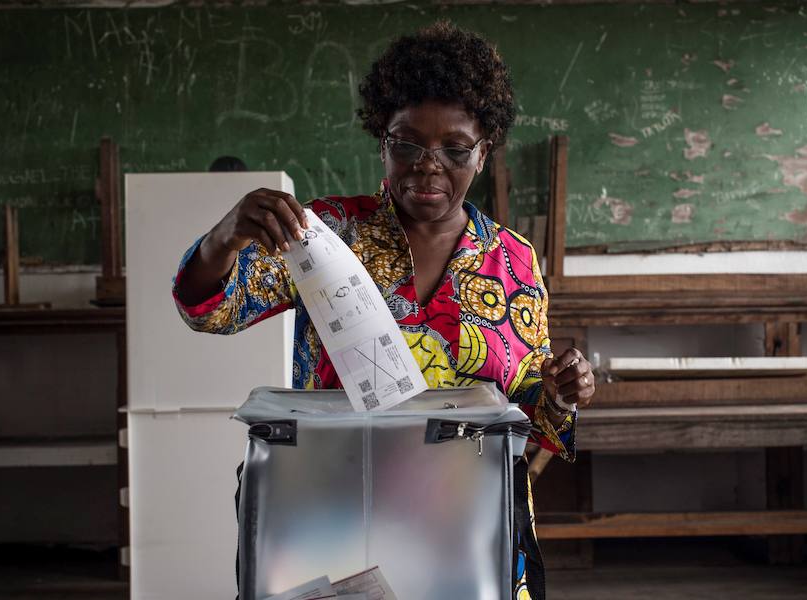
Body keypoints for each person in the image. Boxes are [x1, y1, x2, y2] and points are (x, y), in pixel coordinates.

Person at [174, 21, 595, 600]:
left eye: (455, 148)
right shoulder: (322, 233)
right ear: (382, 139)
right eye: (407, 143)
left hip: (471, 529)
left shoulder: (514, 262)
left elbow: (532, 420)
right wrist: (224, 236)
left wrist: (562, 393)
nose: (428, 165)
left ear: (485, 148)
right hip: (333, 517)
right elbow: (210, 310)